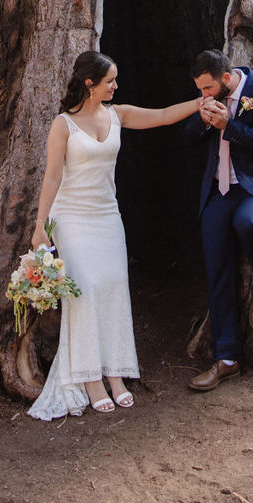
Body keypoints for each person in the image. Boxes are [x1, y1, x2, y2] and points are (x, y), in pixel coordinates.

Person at [27, 51, 199, 420]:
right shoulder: (63, 124)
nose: (116, 86)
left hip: (107, 217)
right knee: (86, 290)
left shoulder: (117, 114)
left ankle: (115, 374)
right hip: (71, 218)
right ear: (89, 83)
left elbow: (165, 116)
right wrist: (40, 225)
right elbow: (52, 177)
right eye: (110, 81)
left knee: (114, 287)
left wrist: (201, 102)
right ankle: (90, 380)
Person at [184, 48, 253, 392]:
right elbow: (186, 141)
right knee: (216, 265)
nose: (203, 95)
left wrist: (231, 126)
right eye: (199, 90)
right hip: (218, 189)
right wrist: (202, 118)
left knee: (247, 223)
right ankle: (227, 358)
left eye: (208, 89)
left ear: (226, 79)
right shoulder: (208, 97)